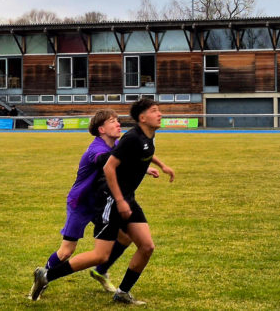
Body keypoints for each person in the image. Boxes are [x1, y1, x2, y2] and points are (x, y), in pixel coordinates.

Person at [29, 99, 175, 305]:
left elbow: (139, 151)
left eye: (118, 120)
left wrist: (151, 166)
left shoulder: (124, 141)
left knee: (135, 242)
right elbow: (108, 161)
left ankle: (109, 279)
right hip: (82, 202)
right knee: (69, 250)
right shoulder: (97, 149)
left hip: (109, 198)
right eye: (112, 121)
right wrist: (131, 164)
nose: (118, 124)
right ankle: (44, 276)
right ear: (101, 129)